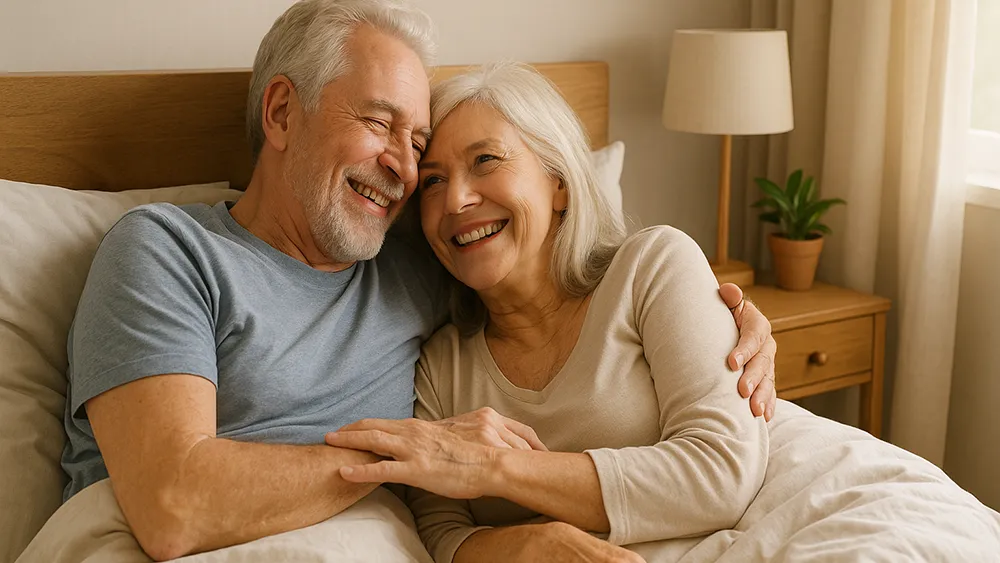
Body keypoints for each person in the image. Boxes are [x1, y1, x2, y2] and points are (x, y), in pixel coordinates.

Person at [60, 1, 776, 560]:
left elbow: (552, 269)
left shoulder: (417, 268)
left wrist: (731, 318)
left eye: (417, 144)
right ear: (281, 112)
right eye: (379, 123)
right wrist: (419, 452)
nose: (411, 173)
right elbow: (172, 505)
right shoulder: (166, 251)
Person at [323, 61, 770, 563]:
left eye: (486, 160)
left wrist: (494, 469)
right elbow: (438, 534)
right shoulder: (440, 366)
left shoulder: (651, 269)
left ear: (558, 181)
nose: (457, 199)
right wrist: (530, 544)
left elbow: (724, 470)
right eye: (432, 181)